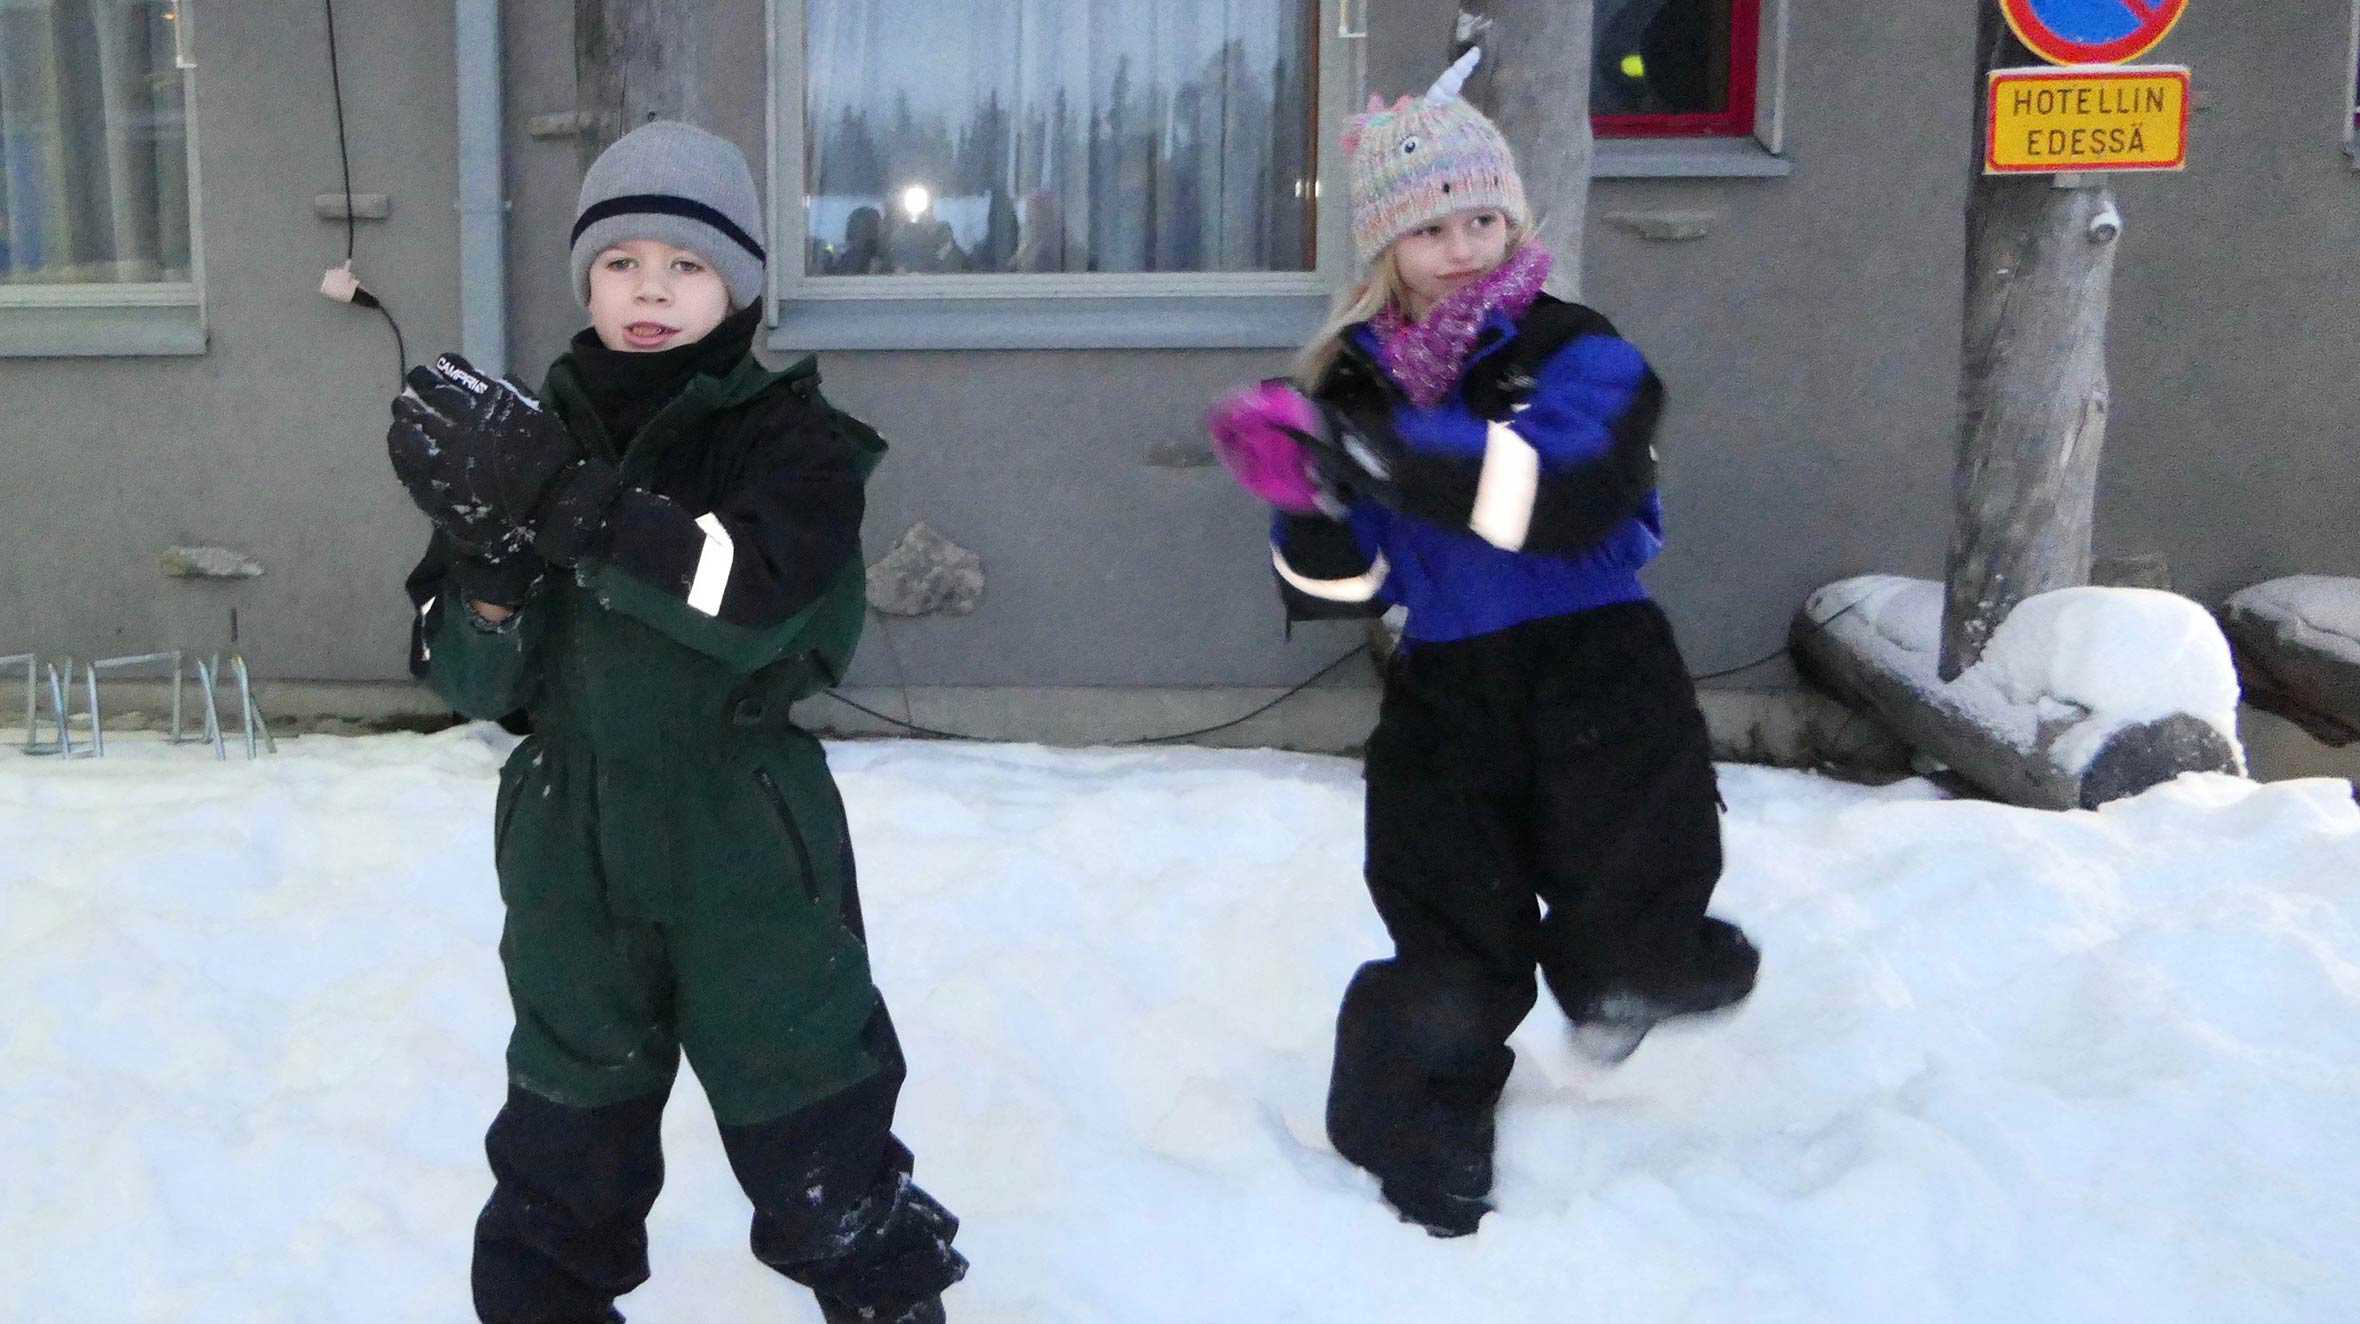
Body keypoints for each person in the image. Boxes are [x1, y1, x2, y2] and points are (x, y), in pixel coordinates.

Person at [388, 120, 966, 1323]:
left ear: (740, 284)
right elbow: (473, 680)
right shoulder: (530, 441)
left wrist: (572, 510)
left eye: (687, 264)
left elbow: (748, 597)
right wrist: (488, 572)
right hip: (569, 849)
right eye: (621, 261)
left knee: (819, 1153)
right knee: (558, 1172)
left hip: (741, 846)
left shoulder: (788, 445)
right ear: (585, 280)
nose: (649, 287)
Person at [1206, 51, 1758, 1238]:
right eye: (1433, 227)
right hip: (1446, 685)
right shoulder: (1351, 392)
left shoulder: (1578, 350)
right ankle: (1410, 1122)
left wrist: (1378, 457)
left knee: (1631, 874)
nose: (1462, 243)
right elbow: (1342, 587)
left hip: (1598, 662)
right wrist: (1303, 500)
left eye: (1484, 217)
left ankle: (1632, 975)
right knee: (1449, 925)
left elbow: (1566, 491)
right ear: (1384, 250)